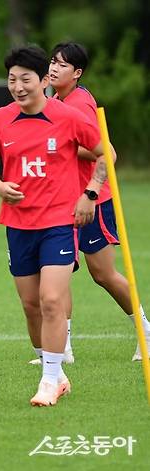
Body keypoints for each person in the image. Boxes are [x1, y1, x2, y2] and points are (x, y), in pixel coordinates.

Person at [0, 46, 108, 407]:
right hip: (18, 225)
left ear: (42, 80)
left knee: (52, 300)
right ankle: (56, 372)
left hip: (59, 223)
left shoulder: (67, 116)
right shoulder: (0, 119)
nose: (17, 86)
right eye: (11, 79)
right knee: (31, 305)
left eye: (25, 79)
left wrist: (90, 193)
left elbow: (105, 153)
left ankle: (49, 379)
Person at [48, 42, 149, 363]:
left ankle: (145, 330)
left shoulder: (79, 104)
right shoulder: (54, 100)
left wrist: (54, 147)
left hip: (93, 199)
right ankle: (61, 348)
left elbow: (100, 150)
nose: (53, 69)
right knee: (59, 270)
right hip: (63, 200)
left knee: (103, 274)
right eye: (52, 62)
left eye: (61, 65)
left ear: (76, 74)